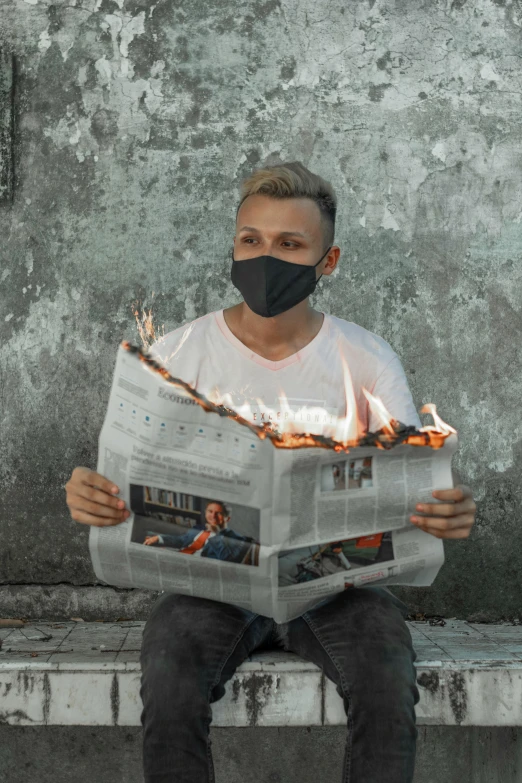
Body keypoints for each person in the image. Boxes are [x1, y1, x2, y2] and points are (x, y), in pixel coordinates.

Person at [65, 161, 477, 783]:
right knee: (169, 670)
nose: (265, 257)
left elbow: (409, 483)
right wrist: (94, 496)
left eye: (289, 245)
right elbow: (128, 487)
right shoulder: (176, 356)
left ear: (327, 261)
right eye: (251, 240)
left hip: (337, 589)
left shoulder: (365, 359)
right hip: (214, 585)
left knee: (387, 674)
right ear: (233, 247)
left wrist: (441, 510)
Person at [143, 500, 259, 565]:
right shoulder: (198, 528)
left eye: (218, 513)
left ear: (227, 519)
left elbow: (226, 558)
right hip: (178, 557)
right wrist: (158, 538)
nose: (213, 516)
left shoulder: (237, 538)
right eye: (210, 511)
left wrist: (216, 535)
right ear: (205, 513)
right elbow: (182, 540)